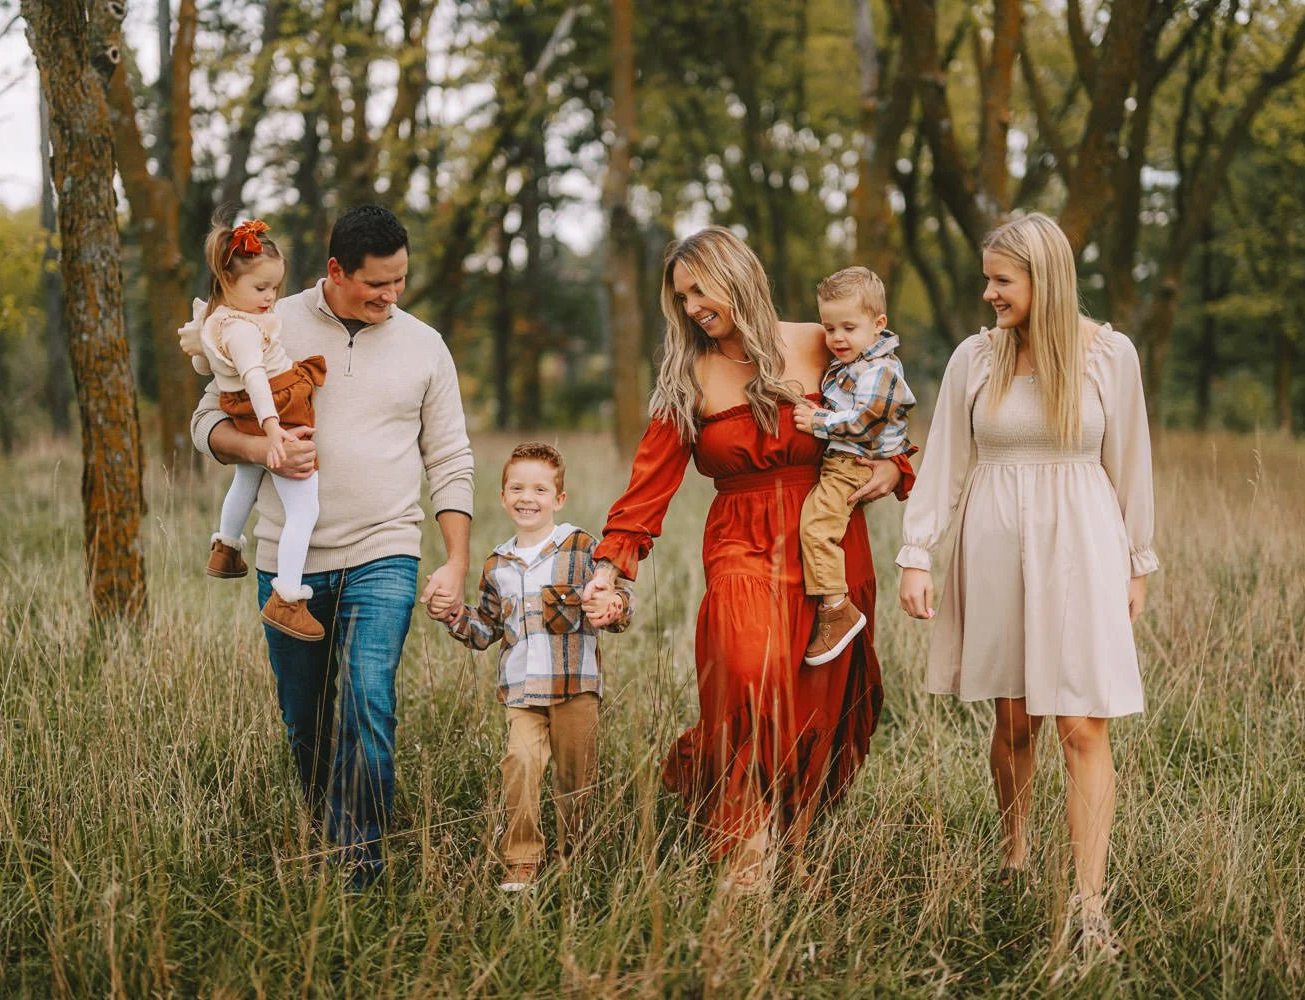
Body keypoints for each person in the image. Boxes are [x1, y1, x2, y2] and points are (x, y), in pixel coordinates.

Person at [580, 227, 913, 891]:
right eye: (682, 297)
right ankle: (745, 858)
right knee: (744, 674)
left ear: (738, 275)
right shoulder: (687, 376)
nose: (694, 306)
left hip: (828, 543)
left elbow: (882, 419)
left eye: (702, 288)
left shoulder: (823, 341)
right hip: (740, 538)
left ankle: (792, 843)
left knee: (820, 704)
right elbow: (648, 486)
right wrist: (609, 567)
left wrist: (895, 470)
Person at [187, 204, 474, 889]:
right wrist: (264, 449)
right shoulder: (262, 316)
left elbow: (452, 457)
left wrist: (456, 560)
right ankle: (326, 824)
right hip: (290, 561)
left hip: (386, 550)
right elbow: (205, 425)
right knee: (305, 718)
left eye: (401, 280)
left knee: (369, 701)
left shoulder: (425, 345)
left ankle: (361, 863)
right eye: (377, 283)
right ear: (335, 271)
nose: (391, 295)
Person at [896, 213, 1157, 951]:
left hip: (1082, 546)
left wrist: (1139, 560)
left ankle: (1088, 906)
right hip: (995, 548)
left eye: (1002, 280)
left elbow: (1132, 460)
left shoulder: (1110, 356)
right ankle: (1013, 858)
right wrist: (917, 551)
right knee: (1013, 721)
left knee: (1082, 722)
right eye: (988, 278)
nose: (989, 294)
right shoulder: (974, 360)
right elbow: (945, 457)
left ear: (1045, 280)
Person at [439, 443, 633, 893]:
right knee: (520, 764)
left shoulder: (582, 548)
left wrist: (615, 604)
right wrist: (453, 615)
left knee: (574, 779)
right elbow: (485, 630)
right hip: (522, 693)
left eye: (540, 489)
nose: (528, 497)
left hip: (575, 688)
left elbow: (619, 604)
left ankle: (574, 859)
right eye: (517, 488)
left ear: (558, 499)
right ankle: (521, 861)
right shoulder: (496, 564)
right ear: (503, 496)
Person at [182, 217, 326, 641]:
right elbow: (256, 378)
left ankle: (226, 547)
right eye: (260, 289)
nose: (270, 298)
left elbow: (202, 365)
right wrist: (273, 430)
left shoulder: (216, 319)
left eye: (275, 288)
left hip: (241, 408)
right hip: (276, 406)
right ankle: (288, 598)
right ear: (227, 279)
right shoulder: (243, 330)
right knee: (304, 508)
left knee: (246, 476)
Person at [791, 266, 915, 666]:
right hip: (843, 460)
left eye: (848, 327)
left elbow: (865, 422)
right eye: (830, 328)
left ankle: (836, 608)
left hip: (853, 462)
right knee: (816, 526)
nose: (837, 338)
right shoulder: (853, 362)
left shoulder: (880, 370)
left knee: (816, 528)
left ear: (878, 324)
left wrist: (818, 422)